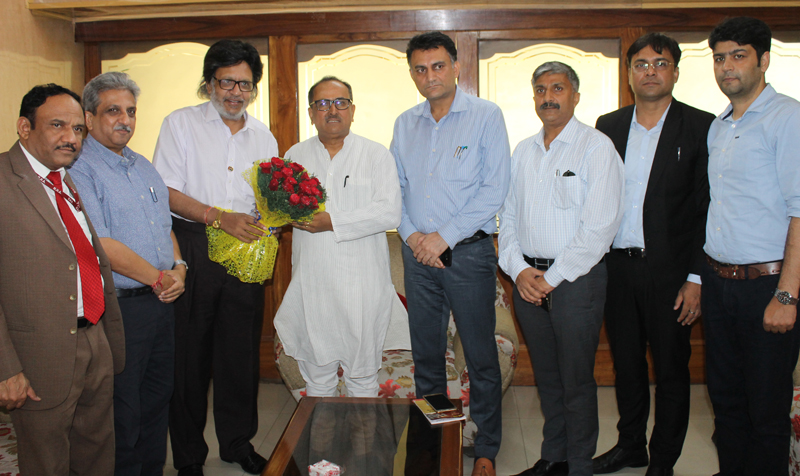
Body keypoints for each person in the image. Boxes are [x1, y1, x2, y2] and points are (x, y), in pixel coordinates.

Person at [152, 39, 279, 476]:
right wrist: (216, 217)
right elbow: (164, 191)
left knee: (239, 354)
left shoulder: (264, 136)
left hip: (244, 251)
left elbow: (267, 200)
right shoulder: (180, 124)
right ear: (208, 84)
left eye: (245, 84)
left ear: (254, 89)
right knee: (189, 358)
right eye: (226, 81)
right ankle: (188, 456)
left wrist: (270, 221)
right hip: (192, 245)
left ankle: (238, 444)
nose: (235, 92)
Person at [591, 34, 715, 476]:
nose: (649, 71)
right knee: (625, 366)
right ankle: (630, 446)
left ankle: (662, 461)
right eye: (640, 64)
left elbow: (709, 209)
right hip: (617, 269)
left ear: (675, 72)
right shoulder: (608, 125)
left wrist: (697, 278)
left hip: (672, 275)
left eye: (659, 63)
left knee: (671, 372)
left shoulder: (702, 127)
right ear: (629, 75)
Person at [390, 31, 510, 476]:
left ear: (456, 66)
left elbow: (494, 190)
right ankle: (435, 440)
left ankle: (486, 448)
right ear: (412, 74)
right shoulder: (405, 123)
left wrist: (443, 237)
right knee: (426, 356)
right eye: (420, 69)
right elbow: (395, 189)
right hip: (417, 257)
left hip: (468, 254)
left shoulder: (485, 116)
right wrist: (413, 236)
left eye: (438, 66)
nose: (430, 76)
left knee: (479, 356)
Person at [499, 62, 624, 476]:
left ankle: (579, 464)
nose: (548, 96)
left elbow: (599, 228)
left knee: (576, 380)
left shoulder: (596, 147)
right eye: (540, 89)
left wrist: (548, 280)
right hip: (528, 282)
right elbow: (508, 220)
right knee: (548, 379)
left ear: (575, 95)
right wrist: (519, 272)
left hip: (575, 281)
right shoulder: (523, 150)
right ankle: (552, 457)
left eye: (558, 88)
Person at [0, 84, 125, 475]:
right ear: (24, 127)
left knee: (96, 452)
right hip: (38, 358)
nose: (71, 138)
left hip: (93, 341)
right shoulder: (6, 181)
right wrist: (5, 368)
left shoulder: (61, 179)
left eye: (77, 129)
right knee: (47, 462)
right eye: (57, 125)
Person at [70, 71, 186, 476]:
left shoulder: (142, 166)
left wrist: (180, 268)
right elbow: (101, 243)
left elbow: (164, 225)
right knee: (123, 406)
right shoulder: (80, 169)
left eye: (131, 111)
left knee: (157, 397)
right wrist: (157, 277)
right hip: (120, 310)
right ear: (88, 116)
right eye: (113, 110)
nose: (125, 120)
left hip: (160, 302)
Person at [703, 16, 800, 475]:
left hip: (768, 285)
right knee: (726, 404)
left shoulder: (788, 118)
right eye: (719, 58)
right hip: (719, 286)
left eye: (738, 56)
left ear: (764, 60)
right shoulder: (719, 126)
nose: (726, 67)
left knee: (766, 412)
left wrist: (787, 293)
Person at [274, 76, 407, 397]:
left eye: (340, 103)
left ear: (352, 109)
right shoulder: (294, 156)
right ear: (310, 113)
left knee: (363, 380)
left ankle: (364, 449)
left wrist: (332, 221)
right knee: (318, 382)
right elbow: (280, 209)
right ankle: (323, 448)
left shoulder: (376, 155)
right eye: (322, 103)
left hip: (363, 288)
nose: (332, 110)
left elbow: (390, 213)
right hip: (313, 286)